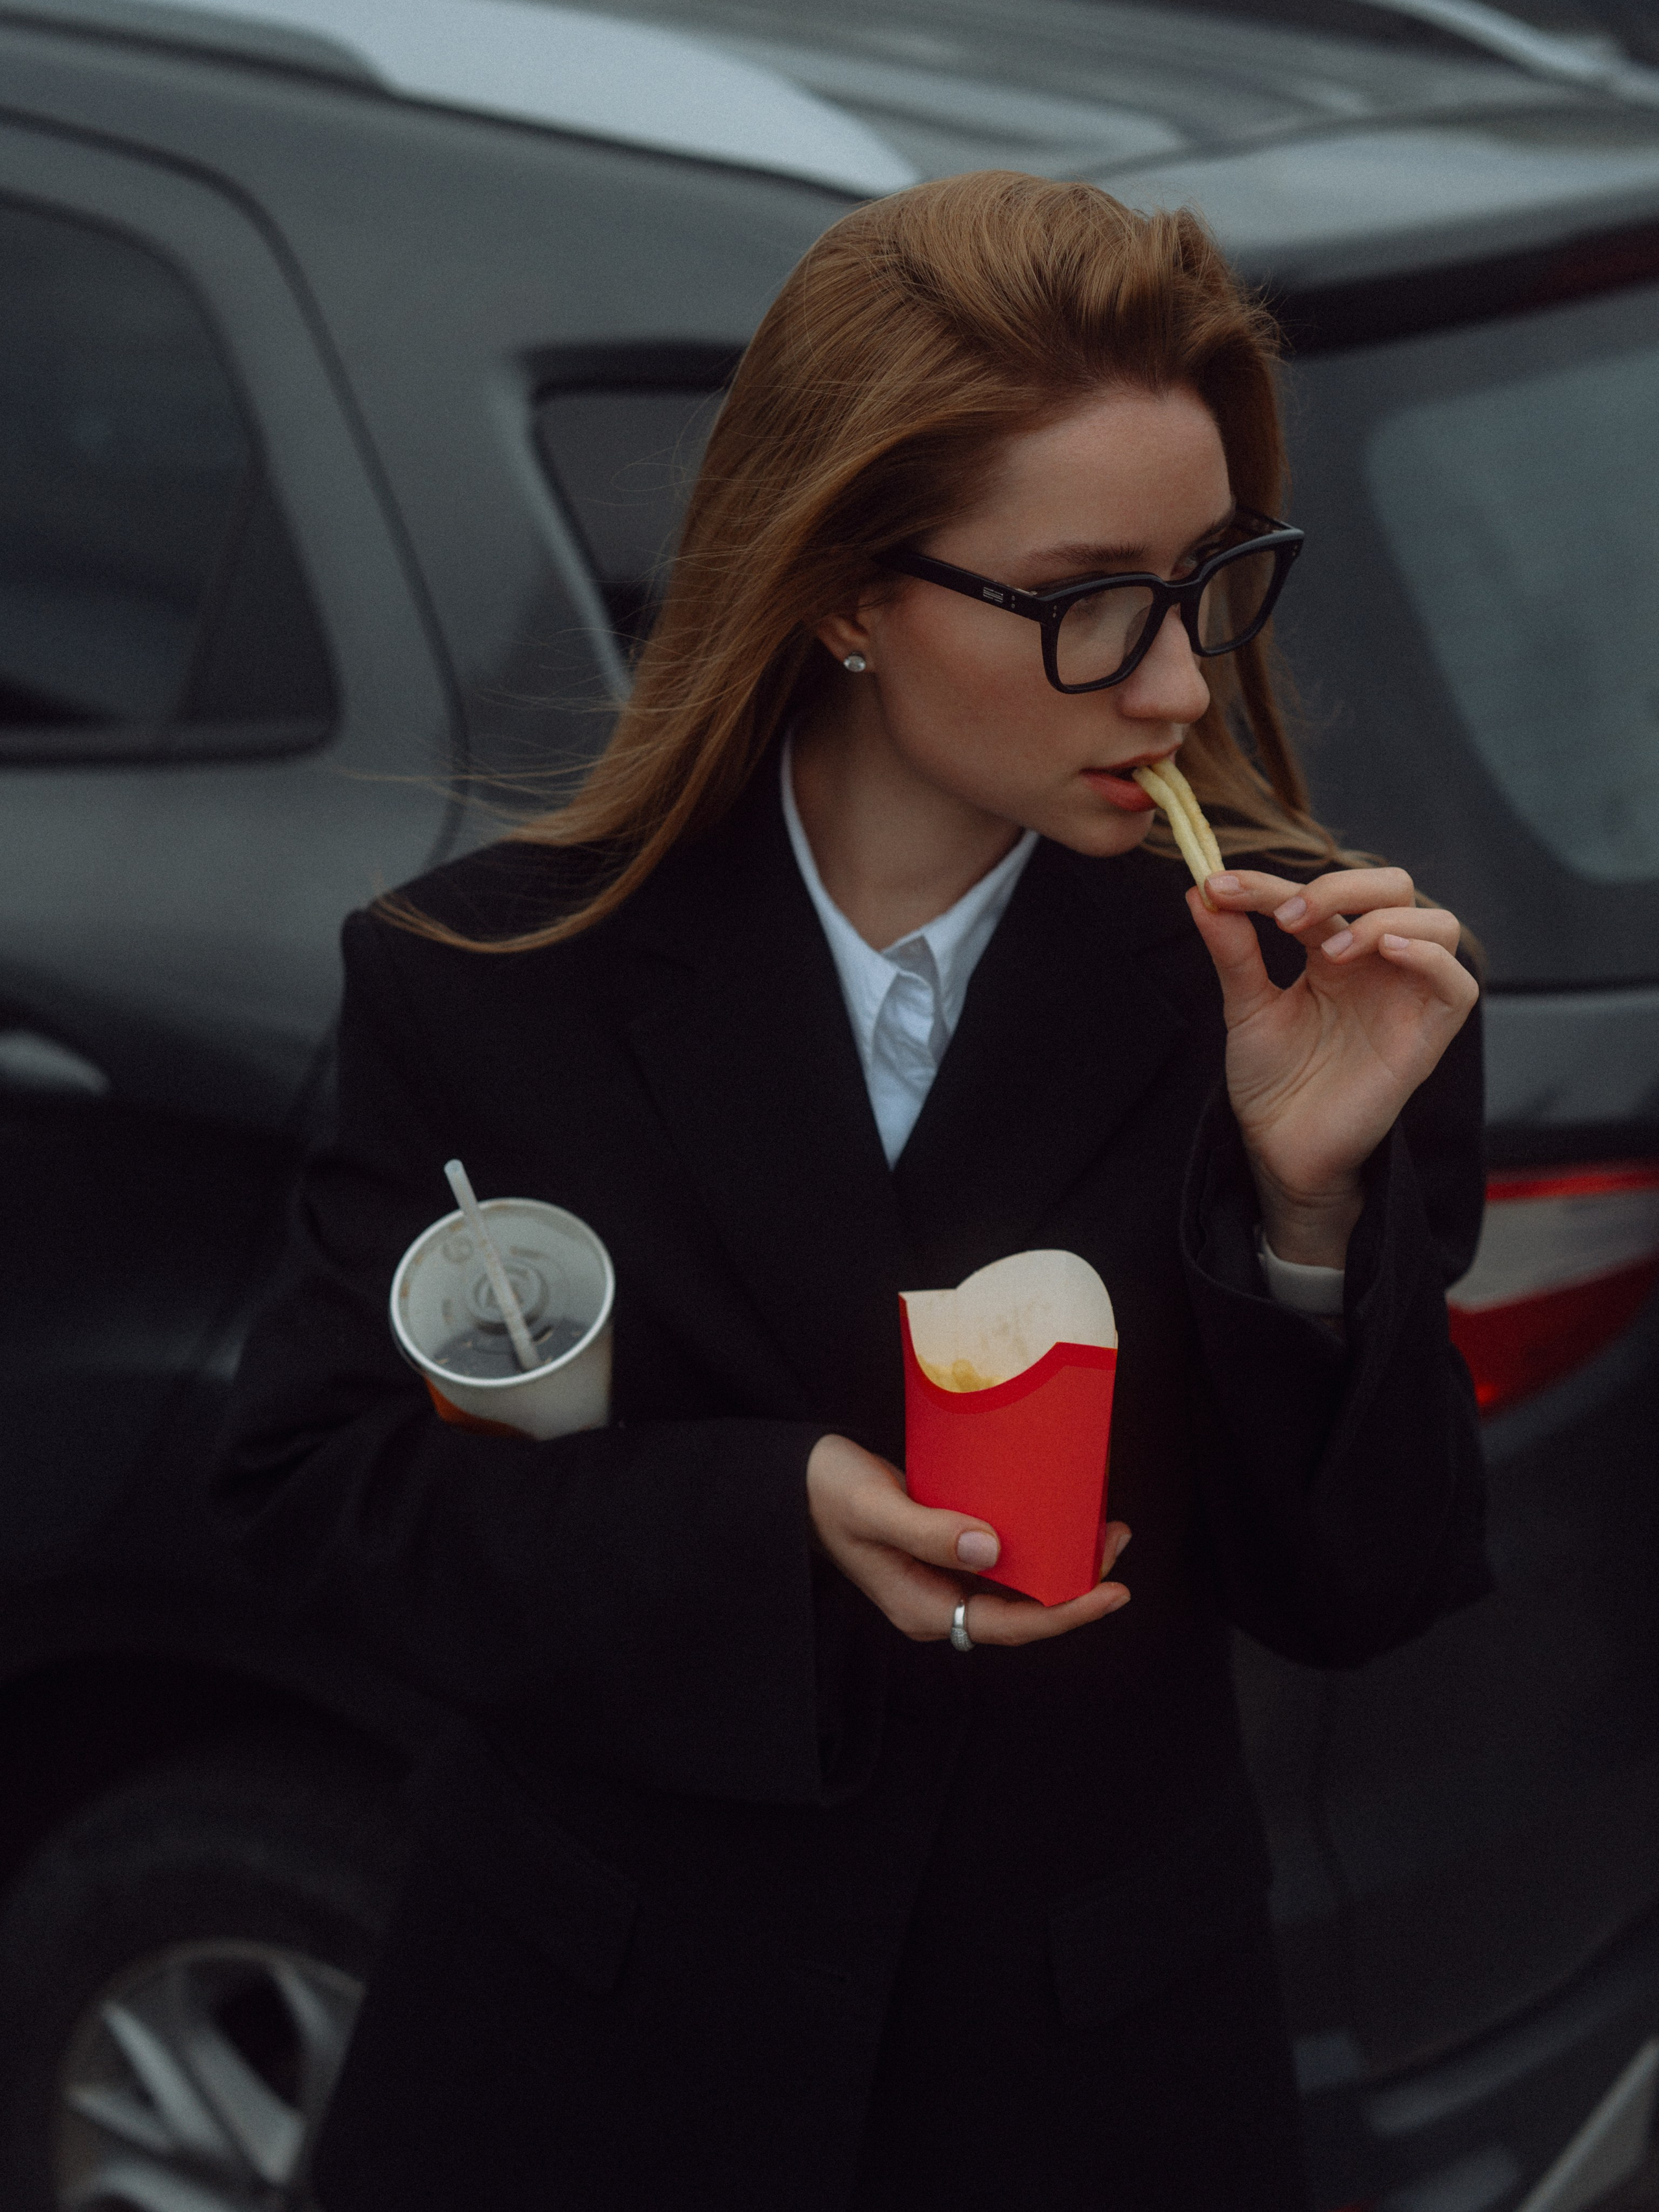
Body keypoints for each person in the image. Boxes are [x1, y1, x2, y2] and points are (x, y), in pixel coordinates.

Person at [215, 170, 1487, 2212]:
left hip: (1087, 2091)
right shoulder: (494, 980)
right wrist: (757, 1514)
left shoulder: (1295, 988)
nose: (1173, 688)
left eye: (1210, 579)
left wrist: (1313, 1216)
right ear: (839, 591)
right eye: (1084, 597)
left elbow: (1372, 1594)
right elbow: (313, 1504)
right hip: (587, 2067)